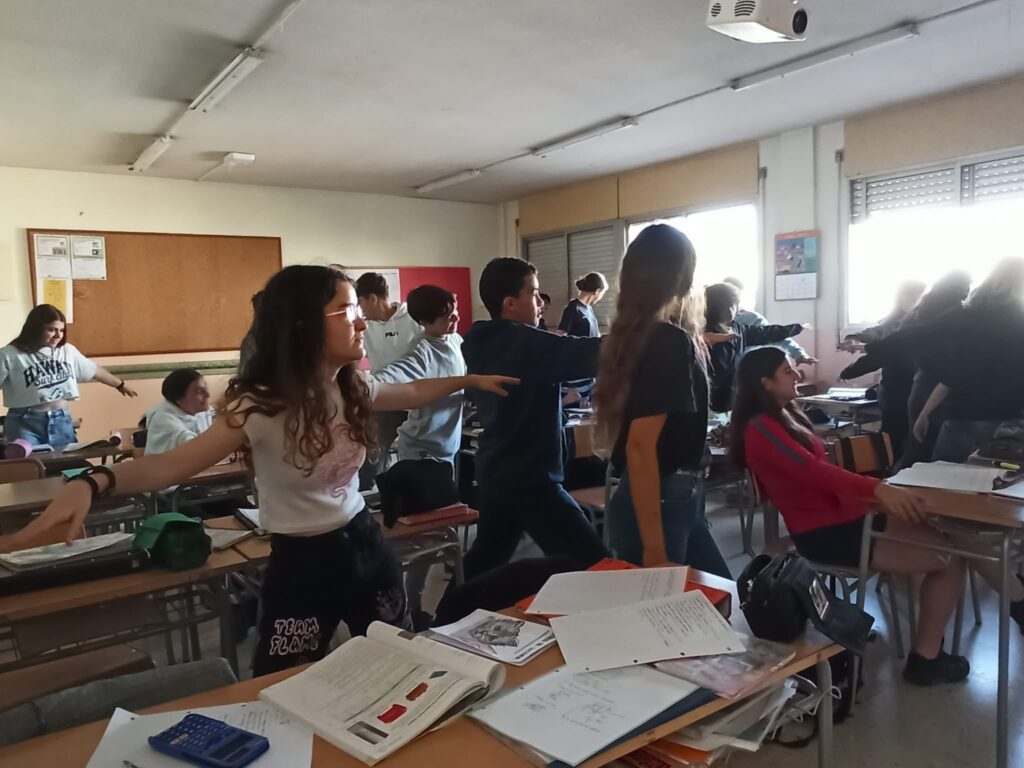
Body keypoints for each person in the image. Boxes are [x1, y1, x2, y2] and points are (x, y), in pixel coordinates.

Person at [0, 266, 516, 675]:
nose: (362, 323)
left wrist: (469, 380)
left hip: (364, 545)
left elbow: (413, 391)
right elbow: (172, 465)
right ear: (302, 326)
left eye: (359, 311)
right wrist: (94, 482)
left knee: (398, 662)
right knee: (282, 679)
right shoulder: (259, 406)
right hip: (302, 563)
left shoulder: (353, 385)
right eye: (346, 311)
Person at [731, 346, 1024, 684]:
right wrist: (879, 490)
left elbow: (819, 474)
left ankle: (1016, 602)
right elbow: (811, 472)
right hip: (826, 532)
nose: (797, 374)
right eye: (787, 371)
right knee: (950, 558)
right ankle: (927, 658)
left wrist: (878, 491)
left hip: (847, 515)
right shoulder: (760, 427)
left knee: (954, 530)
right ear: (765, 382)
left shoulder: (784, 415)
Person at [460, 258, 609, 579]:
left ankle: (449, 609)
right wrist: (642, 331)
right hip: (529, 480)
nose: (541, 302)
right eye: (534, 293)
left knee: (483, 564)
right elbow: (590, 353)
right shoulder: (520, 342)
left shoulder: (482, 340)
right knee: (596, 565)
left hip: (498, 471)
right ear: (510, 303)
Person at [596, 225, 729, 577]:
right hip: (661, 501)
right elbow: (640, 447)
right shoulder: (666, 340)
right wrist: (655, 551)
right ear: (682, 276)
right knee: (698, 602)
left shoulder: (643, 335)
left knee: (720, 597)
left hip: (677, 496)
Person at [840, 271, 971, 465]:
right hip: (899, 389)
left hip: (922, 387)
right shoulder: (910, 319)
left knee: (915, 445)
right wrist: (856, 358)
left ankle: (894, 474)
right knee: (900, 442)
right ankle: (887, 475)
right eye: (915, 294)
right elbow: (884, 338)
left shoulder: (935, 317)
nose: (920, 297)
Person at [914, 258, 1024, 462]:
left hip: (962, 415)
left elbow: (950, 376)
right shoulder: (1018, 319)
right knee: (995, 478)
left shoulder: (969, 316)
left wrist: (925, 413)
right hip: (1003, 417)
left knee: (942, 476)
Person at [0, 304, 137, 448]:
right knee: (29, 461)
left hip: (61, 419)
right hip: (24, 422)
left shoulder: (67, 351)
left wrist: (120, 384)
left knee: (69, 460)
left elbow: (94, 370)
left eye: (61, 330)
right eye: (51, 330)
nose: (58, 335)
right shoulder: (9, 354)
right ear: (35, 329)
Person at [354, 272, 423, 487]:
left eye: (360, 303)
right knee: (372, 454)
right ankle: (371, 494)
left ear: (373, 298)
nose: (360, 310)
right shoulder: (365, 327)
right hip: (385, 400)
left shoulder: (413, 318)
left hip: (418, 399)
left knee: (417, 458)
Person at [704, 282, 804, 413]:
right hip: (708, 397)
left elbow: (765, 332)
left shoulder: (738, 329)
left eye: (733, 305)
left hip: (732, 395)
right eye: (724, 305)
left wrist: (796, 328)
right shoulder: (701, 331)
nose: (730, 310)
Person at [722, 276, 817, 372]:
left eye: (735, 299)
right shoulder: (713, 322)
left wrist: (798, 354)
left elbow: (774, 336)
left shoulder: (751, 318)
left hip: (744, 372)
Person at [558, 272, 607, 404]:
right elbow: (561, 336)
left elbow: (595, 335)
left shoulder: (589, 309)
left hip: (589, 368)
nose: (601, 297)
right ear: (597, 291)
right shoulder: (572, 307)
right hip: (575, 370)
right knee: (577, 405)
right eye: (602, 293)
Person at [143, 369, 213, 455]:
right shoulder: (163, 420)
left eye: (206, 387)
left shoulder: (202, 411)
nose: (208, 394)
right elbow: (193, 447)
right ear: (179, 399)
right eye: (198, 391)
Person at [842, 280, 926, 349]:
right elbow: (881, 331)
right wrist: (858, 337)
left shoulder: (925, 321)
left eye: (917, 296)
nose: (914, 300)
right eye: (910, 295)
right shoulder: (897, 319)